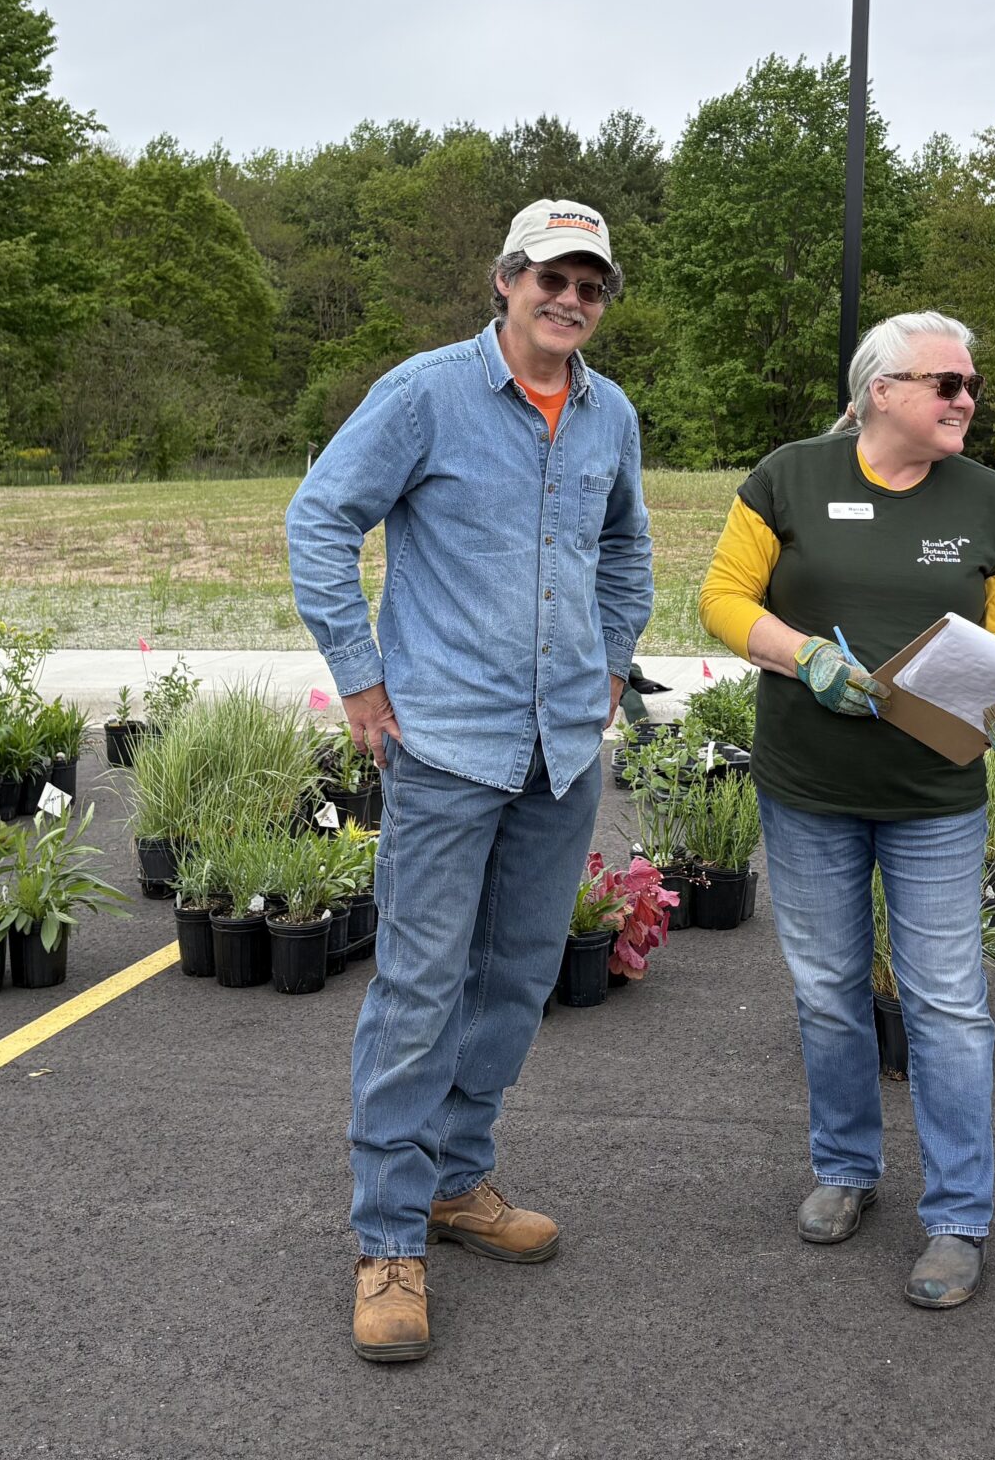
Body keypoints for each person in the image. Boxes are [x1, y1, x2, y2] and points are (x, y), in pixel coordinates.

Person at [286, 198, 653, 1364]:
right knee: (419, 986)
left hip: (560, 751)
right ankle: (387, 1238)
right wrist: (359, 678)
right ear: (505, 280)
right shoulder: (425, 394)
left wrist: (609, 659)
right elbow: (318, 521)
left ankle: (456, 1179)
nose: (570, 300)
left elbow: (627, 547)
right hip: (446, 744)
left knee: (519, 976)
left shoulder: (609, 416)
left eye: (590, 285)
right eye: (552, 277)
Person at [698, 310, 995, 1310]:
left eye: (970, 385)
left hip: (931, 795)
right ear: (881, 390)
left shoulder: (988, 500)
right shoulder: (788, 477)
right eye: (946, 384)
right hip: (808, 787)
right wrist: (802, 653)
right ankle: (846, 1167)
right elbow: (723, 599)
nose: (966, 400)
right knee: (826, 986)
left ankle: (956, 1216)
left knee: (945, 1004)